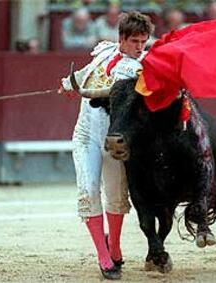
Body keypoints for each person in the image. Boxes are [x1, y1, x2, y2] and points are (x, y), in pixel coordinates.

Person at [59, 11, 154, 280]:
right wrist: (68, 84)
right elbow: (86, 74)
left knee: (115, 195)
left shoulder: (142, 68)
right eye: (135, 41)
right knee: (88, 192)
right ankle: (103, 256)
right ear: (121, 38)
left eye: (143, 41)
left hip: (115, 139)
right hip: (86, 135)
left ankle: (114, 244)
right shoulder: (104, 52)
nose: (140, 47)